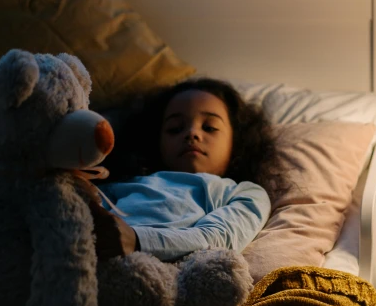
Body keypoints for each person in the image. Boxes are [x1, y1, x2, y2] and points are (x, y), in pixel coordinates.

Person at [90, 77, 287, 261]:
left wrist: (139, 241)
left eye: (209, 127)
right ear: (156, 140)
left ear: (237, 142)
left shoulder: (243, 192)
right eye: (175, 128)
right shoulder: (124, 184)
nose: (192, 133)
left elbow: (217, 240)